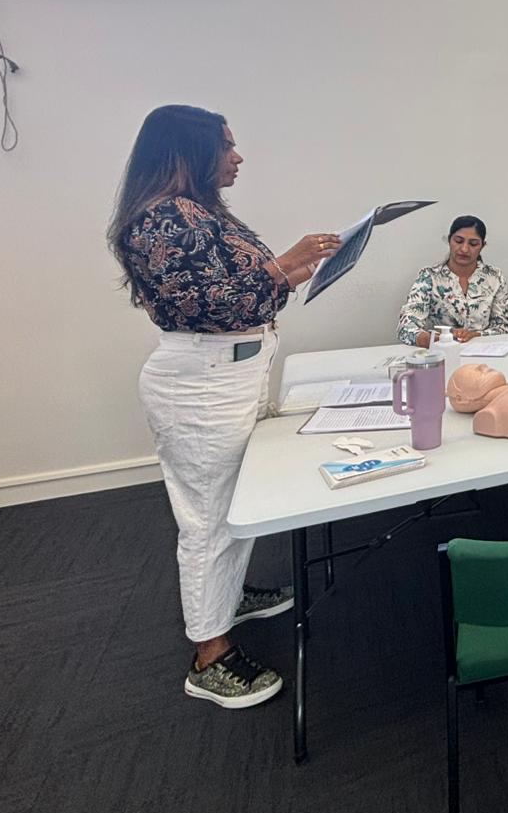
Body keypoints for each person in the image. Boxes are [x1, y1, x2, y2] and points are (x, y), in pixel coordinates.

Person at [109, 105, 342, 709]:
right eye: (227, 146)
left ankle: (228, 597)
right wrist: (284, 264)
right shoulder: (162, 218)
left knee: (234, 502)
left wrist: (293, 270)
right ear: (190, 151)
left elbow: (243, 292)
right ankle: (209, 655)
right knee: (208, 518)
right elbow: (210, 304)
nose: (238, 157)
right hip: (202, 382)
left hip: (232, 374)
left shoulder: (201, 211)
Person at [396, 214, 508, 346]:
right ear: (449, 240)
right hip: (440, 351)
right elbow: (406, 327)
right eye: (458, 241)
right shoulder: (430, 277)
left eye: (473, 244)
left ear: (482, 246)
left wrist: (475, 335)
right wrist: (432, 339)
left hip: (484, 351)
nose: (464, 249)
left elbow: (502, 328)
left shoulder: (494, 277)